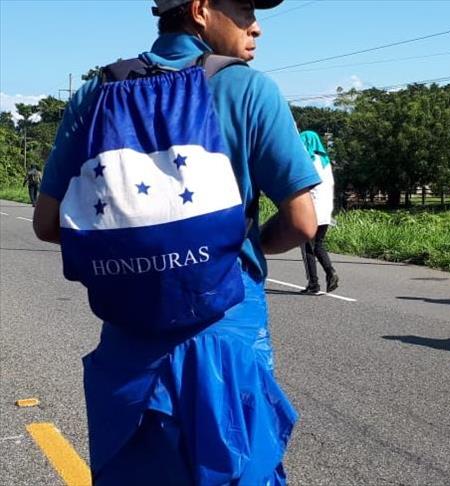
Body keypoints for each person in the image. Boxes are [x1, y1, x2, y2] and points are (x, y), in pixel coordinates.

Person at [32, 0, 321, 483]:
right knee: (237, 467)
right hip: (228, 325)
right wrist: (249, 245)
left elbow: (46, 223)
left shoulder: (95, 94)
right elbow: (302, 222)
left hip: (130, 337)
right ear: (201, 9)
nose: (257, 26)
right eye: (246, 8)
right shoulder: (248, 89)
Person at [299, 130, 339, 294]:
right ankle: (330, 272)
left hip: (312, 211)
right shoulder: (326, 162)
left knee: (307, 247)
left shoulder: (308, 161)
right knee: (318, 245)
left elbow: (303, 185)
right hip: (326, 210)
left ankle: (314, 284)